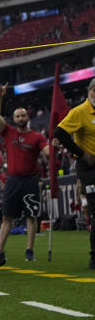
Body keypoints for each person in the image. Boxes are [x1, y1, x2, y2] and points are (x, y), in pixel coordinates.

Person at [0, 83, 47, 267]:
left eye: (23, 115)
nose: (20, 118)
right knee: (7, 217)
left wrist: (53, 149)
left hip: (30, 180)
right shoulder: (8, 132)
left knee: (31, 216)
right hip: (12, 180)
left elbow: (46, 150)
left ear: (28, 117)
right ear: (13, 118)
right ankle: (0, 251)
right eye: (17, 116)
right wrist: (0, 96)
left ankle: (29, 250)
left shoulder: (37, 136)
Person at [52, 77, 95, 270]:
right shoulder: (79, 111)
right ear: (90, 92)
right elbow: (59, 132)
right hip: (89, 167)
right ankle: (94, 257)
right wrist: (80, 153)